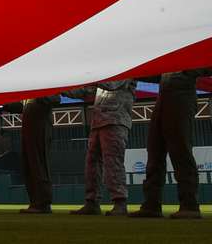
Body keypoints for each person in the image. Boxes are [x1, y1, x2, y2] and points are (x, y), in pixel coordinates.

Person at [130, 69, 211, 219]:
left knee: (180, 150)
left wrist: (187, 70)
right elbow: (158, 75)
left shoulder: (188, 52)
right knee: (154, 151)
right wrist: (134, 72)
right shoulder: (170, 59)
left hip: (182, 96)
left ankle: (189, 204)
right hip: (163, 96)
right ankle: (151, 204)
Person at [64, 80, 136, 216]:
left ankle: (120, 202)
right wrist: (61, 87)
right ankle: (92, 202)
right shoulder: (102, 77)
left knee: (113, 163)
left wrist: (91, 75)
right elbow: (85, 91)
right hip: (98, 122)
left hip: (115, 120)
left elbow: (112, 84)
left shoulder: (124, 70)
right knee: (92, 164)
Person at [10, 95, 60, 214]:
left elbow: (55, 98)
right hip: (29, 129)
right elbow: (20, 106)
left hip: (40, 128)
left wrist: (39, 95)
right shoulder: (27, 92)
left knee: (39, 164)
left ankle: (43, 203)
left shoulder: (44, 84)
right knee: (29, 166)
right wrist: (2, 104)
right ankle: (35, 202)